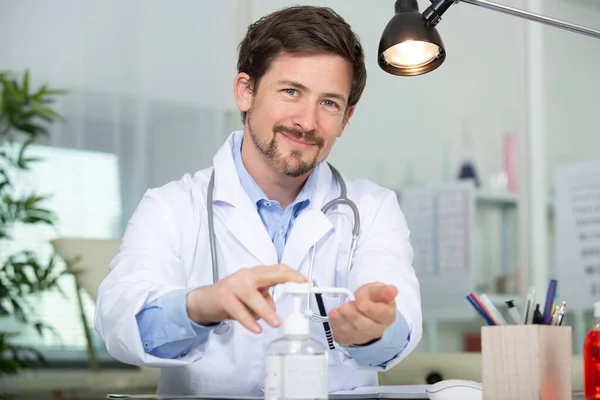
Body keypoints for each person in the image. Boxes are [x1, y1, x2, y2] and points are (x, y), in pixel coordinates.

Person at [94, 5, 422, 397]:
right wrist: (201, 306)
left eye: (329, 103)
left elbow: (400, 324)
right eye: (291, 92)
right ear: (245, 91)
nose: (307, 121)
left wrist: (373, 330)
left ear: (346, 118)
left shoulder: (372, 208)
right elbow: (118, 320)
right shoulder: (171, 207)